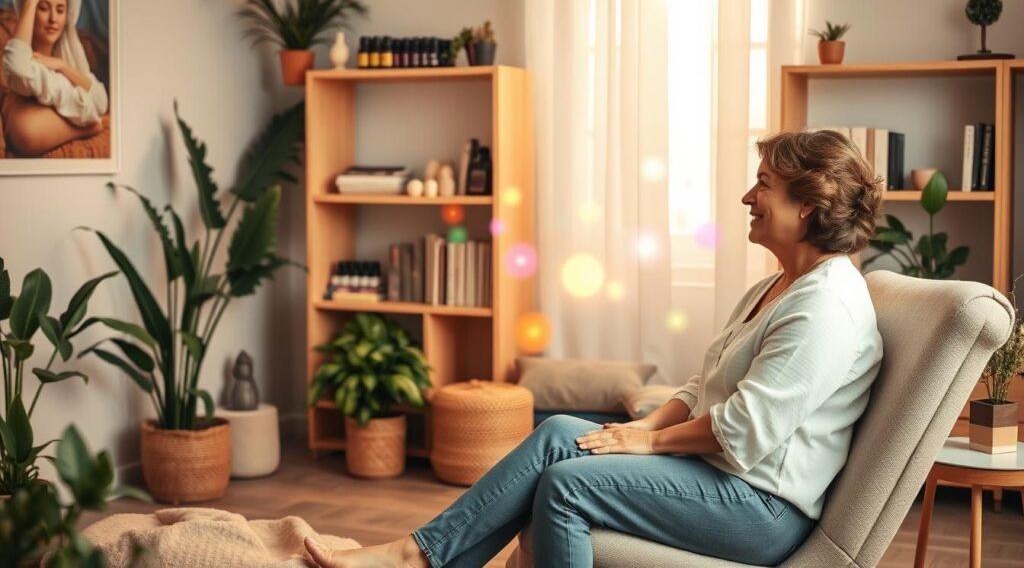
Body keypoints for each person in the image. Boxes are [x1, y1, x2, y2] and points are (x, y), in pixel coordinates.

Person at [304, 130, 885, 568]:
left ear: (807, 203)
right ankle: (422, 555)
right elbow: (698, 387)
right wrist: (645, 432)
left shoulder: (826, 307)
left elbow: (744, 430)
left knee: (568, 484)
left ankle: (416, 561)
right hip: (721, 476)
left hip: (759, 506)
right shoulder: (776, 286)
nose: (746, 195)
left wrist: (649, 441)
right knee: (560, 430)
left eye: (763, 183)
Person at [2, 0, 108, 157]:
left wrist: (62, 66)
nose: (53, 19)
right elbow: (17, 69)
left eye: (60, 10)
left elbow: (100, 101)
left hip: (56, 77)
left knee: (25, 127)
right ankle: (86, 128)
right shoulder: (26, 64)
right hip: (24, 124)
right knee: (22, 127)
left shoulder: (68, 61)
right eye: (43, 8)